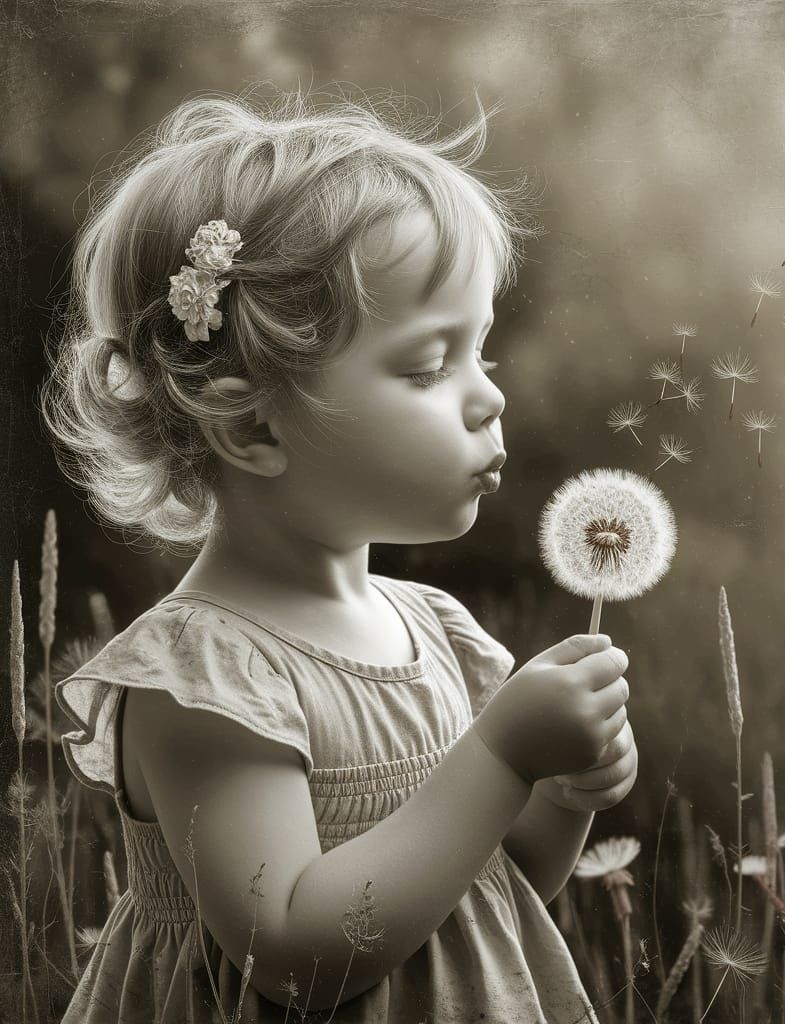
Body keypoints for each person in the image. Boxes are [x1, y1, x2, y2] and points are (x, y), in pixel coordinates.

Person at [43, 90, 637, 1022]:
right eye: (429, 365)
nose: (488, 398)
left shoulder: (438, 631)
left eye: (480, 353)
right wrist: (500, 756)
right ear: (252, 426)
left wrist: (559, 791)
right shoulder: (205, 683)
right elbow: (293, 955)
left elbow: (497, 884)